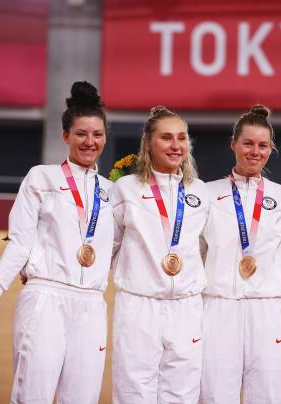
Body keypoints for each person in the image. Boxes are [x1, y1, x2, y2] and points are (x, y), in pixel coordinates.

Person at [0, 81, 114, 403]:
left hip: (91, 305)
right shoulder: (40, 177)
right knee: (32, 395)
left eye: (97, 134)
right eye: (81, 134)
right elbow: (20, 241)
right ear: (65, 136)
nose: (90, 142)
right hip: (45, 297)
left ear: (105, 137)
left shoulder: (113, 192)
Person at [199, 105, 281, 404]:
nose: (255, 151)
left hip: (267, 311)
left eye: (263, 145)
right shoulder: (205, 193)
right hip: (218, 308)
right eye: (248, 143)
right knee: (215, 395)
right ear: (233, 144)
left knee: (269, 396)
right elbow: (195, 252)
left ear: (271, 149)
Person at [111, 106, 209, 403]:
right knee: (134, 392)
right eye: (166, 138)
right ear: (148, 143)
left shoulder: (201, 192)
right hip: (138, 306)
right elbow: (110, 246)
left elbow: (205, 248)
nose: (176, 145)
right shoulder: (125, 189)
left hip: (186, 308)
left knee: (182, 394)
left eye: (182, 138)